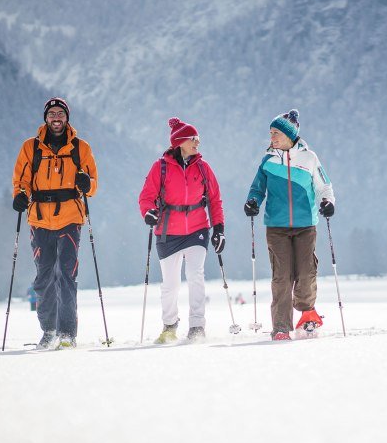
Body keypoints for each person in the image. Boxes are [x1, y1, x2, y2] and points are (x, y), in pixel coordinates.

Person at [12, 97, 98, 349]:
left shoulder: (81, 148)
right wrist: (20, 195)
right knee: (44, 277)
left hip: (71, 217)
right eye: (52, 114)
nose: (56, 118)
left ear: (67, 118)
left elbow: (93, 183)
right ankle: (48, 330)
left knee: (67, 275)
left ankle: (67, 334)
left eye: (61, 113)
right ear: (45, 118)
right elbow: (21, 180)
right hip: (39, 219)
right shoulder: (31, 147)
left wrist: (86, 184)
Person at [244, 109, 335, 341]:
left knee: (306, 272)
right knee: (282, 276)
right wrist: (253, 201)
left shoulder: (309, 158)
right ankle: (281, 327)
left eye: (275, 133)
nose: (271, 137)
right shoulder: (268, 161)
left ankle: (307, 316)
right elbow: (257, 188)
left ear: (289, 134)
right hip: (276, 227)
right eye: (270, 133)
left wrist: (327, 202)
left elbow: (324, 185)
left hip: (306, 225)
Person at [139, 117, 225, 343]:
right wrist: (148, 212)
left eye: (198, 139)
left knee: (195, 275)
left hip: (197, 229)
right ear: (180, 142)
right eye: (193, 139)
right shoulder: (161, 167)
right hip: (168, 232)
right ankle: (169, 325)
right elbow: (146, 196)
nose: (198, 142)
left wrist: (219, 228)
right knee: (170, 283)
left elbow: (215, 200)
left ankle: (197, 325)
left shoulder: (204, 168)